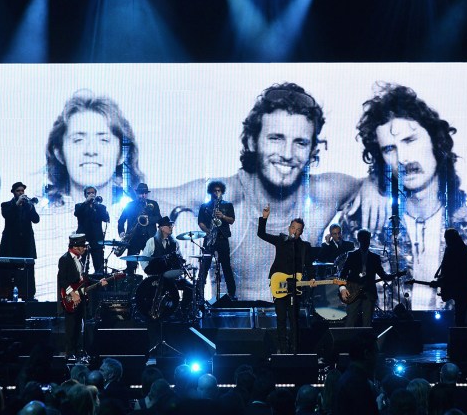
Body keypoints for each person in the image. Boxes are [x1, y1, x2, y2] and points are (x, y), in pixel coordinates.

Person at [151, 82, 379, 302]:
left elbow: (364, 184)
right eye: (276, 138)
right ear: (252, 140)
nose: (287, 154)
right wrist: (182, 214)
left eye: (300, 142)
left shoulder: (323, 192)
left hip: (296, 319)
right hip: (234, 324)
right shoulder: (230, 193)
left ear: (312, 150)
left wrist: (372, 188)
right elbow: (151, 197)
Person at [341, 83, 467, 309]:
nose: (403, 158)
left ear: (435, 140)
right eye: (389, 149)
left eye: (409, 140)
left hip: (458, 335)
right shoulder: (363, 221)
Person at [35, 90, 142, 299]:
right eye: (78, 140)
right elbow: (79, 214)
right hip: (70, 292)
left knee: (100, 265)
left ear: (121, 153)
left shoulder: (123, 208)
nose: (91, 150)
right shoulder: (49, 217)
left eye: (103, 139)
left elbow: (105, 219)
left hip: (99, 250)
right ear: (59, 151)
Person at [258, 205, 315, 354]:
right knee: (281, 318)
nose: (294, 231)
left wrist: (312, 278)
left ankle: (295, 349)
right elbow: (261, 234)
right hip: (279, 283)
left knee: (294, 319)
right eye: (293, 228)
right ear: (289, 228)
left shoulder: (304, 247)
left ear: (301, 232)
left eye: (298, 230)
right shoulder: (281, 240)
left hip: (295, 286)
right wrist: (264, 218)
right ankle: (282, 349)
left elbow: (309, 265)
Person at [58, 234, 108, 362]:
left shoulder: (81, 260)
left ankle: (80, 351)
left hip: (81, 297)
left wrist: (99, 281)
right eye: (82, 247)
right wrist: (72, 293)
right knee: (71, 326)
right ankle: (70, 353)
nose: (85, 249)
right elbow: (62, 280)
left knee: (81, 325)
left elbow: (84, 280)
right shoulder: (64, 259)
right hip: (70, 298)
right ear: (75, 247)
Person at [140, 216, 194, 319]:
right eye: (168, 225)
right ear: (161, 228)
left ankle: (182, 310)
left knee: (190, 287)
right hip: (157, 278)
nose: (171, 227)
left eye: (171, 225)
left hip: (171, 277)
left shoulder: (174, 243)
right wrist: (150, 273)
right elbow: (143, 259)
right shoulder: (152, 241)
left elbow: (179, 259)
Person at [338, 229, 391, 327]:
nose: (366, 241)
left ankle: (366, 341)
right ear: (359, 240)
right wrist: (342, 288)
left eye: (367, 239)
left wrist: (392, 277)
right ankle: (347, 341)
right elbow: (343, 274)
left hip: (369, 292)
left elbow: (382, 274)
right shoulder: (352, 255)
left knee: (367, 323)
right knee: (350, 321)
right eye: (363, 239)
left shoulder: (375, 258)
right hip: (354, 292)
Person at [0, 182, 40, 297]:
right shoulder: (6, 205)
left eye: (22, 191)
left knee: (28, 270)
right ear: (13, 192)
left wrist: (30, 207)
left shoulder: (29, 205)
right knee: (10, 270)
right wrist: (16, 204)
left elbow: (36, 219)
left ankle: (29, 294)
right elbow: (8, 216)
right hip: (11, 243)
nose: (21, 193)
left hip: (26, 243)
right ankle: (7, 294)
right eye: (18, 191)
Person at [197, 180, 237, 301]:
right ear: (211, 192)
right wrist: (209, 232)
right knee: (204, 267)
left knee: (226, 267)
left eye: (219, 190)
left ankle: (232, 294)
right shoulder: (204, 206)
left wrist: (223, 216)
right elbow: (200, 222)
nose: (217, 193)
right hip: (209, 239)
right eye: (214, 191)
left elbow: (232, 220)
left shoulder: (227, 205)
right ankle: (199, 295)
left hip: (222, 238)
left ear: (222, 191)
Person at [434, 227, 467, 327]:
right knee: (460, 316)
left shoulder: (454, 250)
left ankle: (461, 338)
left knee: (460, 317)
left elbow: (453, 271)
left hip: (461, 288)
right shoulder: (461, 249)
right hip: (463, 288)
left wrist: (442, 280)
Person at [118, 182, 162, 274]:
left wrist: (148, 219)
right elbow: (121, 220)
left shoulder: (153, 204)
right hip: (134, 238)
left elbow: (159, 218)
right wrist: (122, 232)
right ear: (137, 193)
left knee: (153, 263)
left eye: (145, 193)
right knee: (131, 265)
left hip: (149, 238)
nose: (143, 195)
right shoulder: (130, 205)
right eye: (141, 193)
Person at [75, 186, 109, 274]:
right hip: (82, 240)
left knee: (99, 266)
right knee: (81, 265)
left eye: (93, 193)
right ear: (85, 195)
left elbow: (106, 219)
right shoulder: (79, 206)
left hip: (97, 239)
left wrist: (97, 205)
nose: (91, 195)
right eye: (88, 193)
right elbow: (77, 213)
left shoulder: (100, 207)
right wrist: (86, 202)